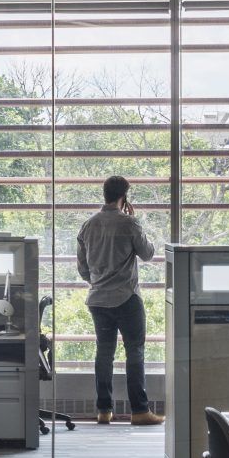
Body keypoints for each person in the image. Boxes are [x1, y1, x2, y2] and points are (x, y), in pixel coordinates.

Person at [75, 174, 161, 425]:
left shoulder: (88, 225)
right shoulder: (128, 224)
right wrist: (135, 220)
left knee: (104, 353)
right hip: (127, 297)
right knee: (134, 352)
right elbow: (148, 254)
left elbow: (82, 268)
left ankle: (104, 410)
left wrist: (98, 281)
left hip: (98, 299)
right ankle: (140, 411)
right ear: (124, 196)